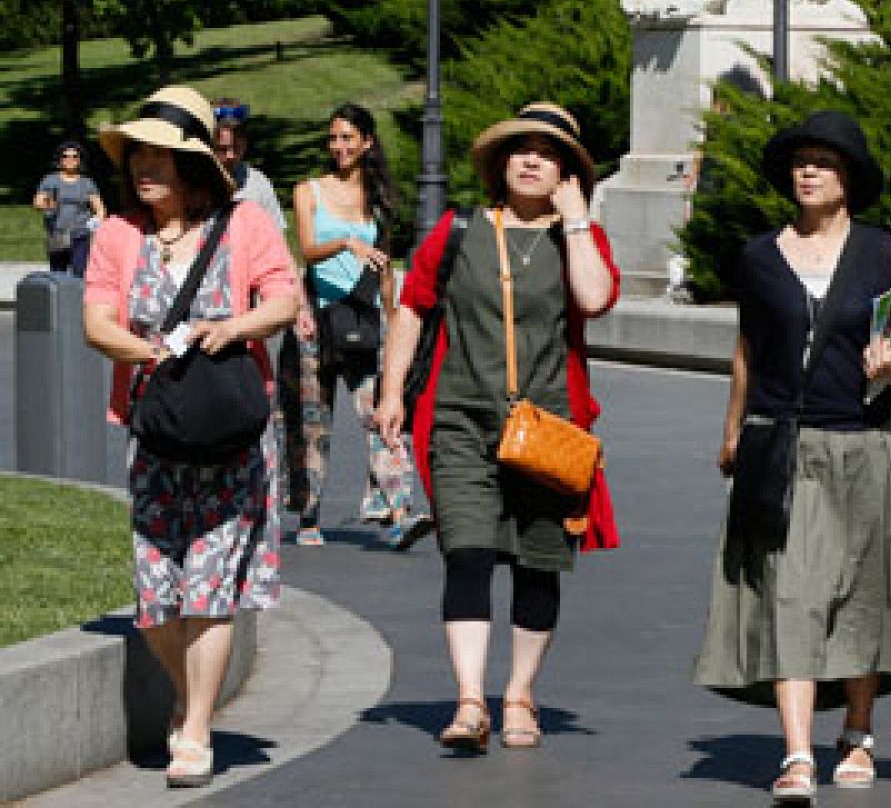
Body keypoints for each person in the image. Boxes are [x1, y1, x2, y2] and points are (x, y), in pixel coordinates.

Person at [692, 110, 891, 804]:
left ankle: (858, 731)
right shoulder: (756, 257)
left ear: (849, 180)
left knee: (860, 594)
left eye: (825, 162)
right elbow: (747, 352)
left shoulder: (882, 255)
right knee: (793, 593)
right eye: (801, 160)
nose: (809, 170)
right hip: (781, 445)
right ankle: (799, 753)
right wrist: (732, 432)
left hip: (861, 445)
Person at [374, 101, 621, 754]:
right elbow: (413, 308)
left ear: (568, 172)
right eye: (522, 148)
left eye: (550, 151)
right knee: (469, 553)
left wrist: (576, 222)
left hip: (548, 428)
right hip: (460, 421)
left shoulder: (577, 239)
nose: (533, 159)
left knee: (537, 565)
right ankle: (468, 702)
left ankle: (519, 695)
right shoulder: (457, 231)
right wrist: (392, 389)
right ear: (500, 162)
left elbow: (595, 298)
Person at [82, 85, 297, 787]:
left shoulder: (243, 227)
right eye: (138, 155)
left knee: (208, 588)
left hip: (232, 436)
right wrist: (144, 353)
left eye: (162, 156)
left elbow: (284, 299)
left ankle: (196, 728)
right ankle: (187, 693)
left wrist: (229, 329)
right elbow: (96, 321)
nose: (146, 167)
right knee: (154, 602)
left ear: (195, 166)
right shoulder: (117, 233)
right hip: (156, 434)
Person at [279, 103, 421, 548]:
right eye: (333, 138)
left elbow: (383, 267)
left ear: (367, 142)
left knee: (383, 414)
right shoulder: (309, 191)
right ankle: (307, 515)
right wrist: (346, 242)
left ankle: (398, 510)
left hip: (365, 319)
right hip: (318, 322)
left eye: (347, 138)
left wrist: (394, 317)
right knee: (311, 423)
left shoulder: (378, 199)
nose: (338, 146)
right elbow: (306, 249)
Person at [33, 140, 106, 275]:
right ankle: (59, 296)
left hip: (80, 234)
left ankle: (77, 296)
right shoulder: (50, 180)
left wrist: (95, 223)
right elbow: (37, 203)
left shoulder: (87, 183)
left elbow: (99, 208)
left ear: (79, 160)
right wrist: (49, 204)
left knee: (79, 271)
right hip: (57, 233)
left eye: (74, 156)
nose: (70, 159)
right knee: (57, 272)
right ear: (60, 160)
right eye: (65, 156)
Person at [212, 98, 286, 228]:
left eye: (236, 147)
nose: (230, 156)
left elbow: (276, 239)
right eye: (222, 149)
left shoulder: (258, 184)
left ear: (245, 143)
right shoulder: (193, 186)